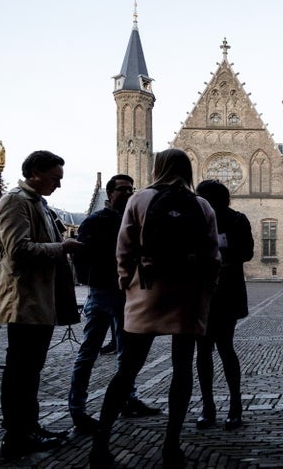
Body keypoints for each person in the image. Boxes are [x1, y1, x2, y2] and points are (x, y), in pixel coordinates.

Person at [90, 149, 221, 468]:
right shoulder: (202, 205)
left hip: (147, 291)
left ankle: (100, 444)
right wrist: (205, 289)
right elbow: (213, 254)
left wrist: (127, 283)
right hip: (186, 293)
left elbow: (124, 249)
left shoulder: (139, 200)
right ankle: (172, 445)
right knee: (182, 370)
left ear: (158, 168)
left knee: (127, 370)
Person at [0, 151, 84, 459]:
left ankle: (30, 426)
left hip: (39, 299)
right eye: (55, 177)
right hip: (24, 299)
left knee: (31, 370)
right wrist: (63, 247)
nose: (58, 184)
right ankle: (17, 435)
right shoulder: (16, 201)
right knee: (21, 370)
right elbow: (18, 250)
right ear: (35, 174)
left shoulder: (37, 203)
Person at [68, 174, 160, 434]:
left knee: (127, 352)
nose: (129, 193)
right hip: (102, 292)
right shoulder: (94, 221)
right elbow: (80, 258)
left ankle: (128, 399)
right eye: (123, 189)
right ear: (109, 194)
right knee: (88, 352)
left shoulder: (134, 220)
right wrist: (93, 282)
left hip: (126, 294)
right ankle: (77, 409)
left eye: (132, 189)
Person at [194, 179, 254, 431]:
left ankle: (234, 407)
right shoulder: (194, 221)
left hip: (226, 292)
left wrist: (219, 257)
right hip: (201, 293)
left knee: (225, 348)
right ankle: (209, 407)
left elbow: (247, 253)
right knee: (204, 351)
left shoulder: (237, 220)